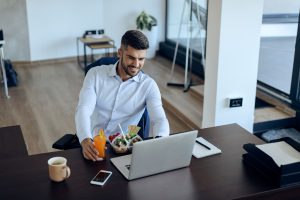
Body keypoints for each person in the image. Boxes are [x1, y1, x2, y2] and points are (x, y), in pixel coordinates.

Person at [75, 30, 170, 161]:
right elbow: (83, 109)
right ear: (120, 53)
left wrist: (161, 140)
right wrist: (85, 139)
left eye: (141, 59)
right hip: (94, 144)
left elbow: (159, 120)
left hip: (123, 149)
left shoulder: (149, 86)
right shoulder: (95, 74)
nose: (136, 65)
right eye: (131, 57)